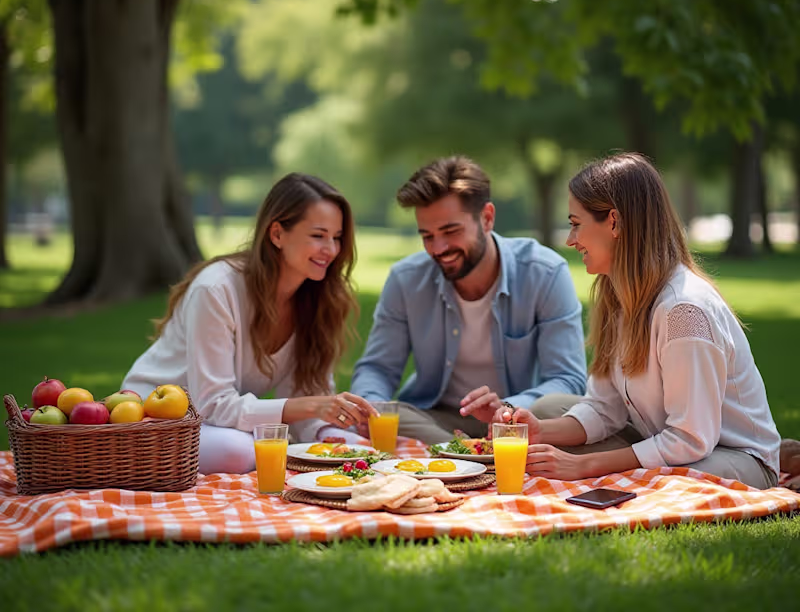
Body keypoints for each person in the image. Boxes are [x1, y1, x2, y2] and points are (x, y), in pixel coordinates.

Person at [494, 152, 781, 489]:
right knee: (551, 408)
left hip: (731, 457)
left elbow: (690, 440)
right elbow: (605, 407)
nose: (571, 240)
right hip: (660, 437)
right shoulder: (616, 297)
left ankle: (781, 457)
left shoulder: (684, 310)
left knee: (653, 484)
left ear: (613, 222)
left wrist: (584, 466)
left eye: (575, 224)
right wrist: (541, 431)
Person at [123, 173, 376, 475]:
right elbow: (213, 404)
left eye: (337, 237)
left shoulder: (313, 300)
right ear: (277, 234)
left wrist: (328, 434)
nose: (332, 250)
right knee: (243, 451)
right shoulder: (216, 289)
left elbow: (306, 394)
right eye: (318, 236)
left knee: (355, 447)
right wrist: (311, 406)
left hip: (216, 424)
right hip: (155, 418)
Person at [350, 155, 587, 445]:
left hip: (516, 417)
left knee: (557, 408)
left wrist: (508, 407)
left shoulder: (545, 273)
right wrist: (369, 408)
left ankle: (453, 453)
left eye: (451, 231)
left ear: (487, 218)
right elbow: (379, 368)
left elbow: (567, 378)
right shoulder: (405, 280)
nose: (439, 248)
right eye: (427, 236)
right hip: (436, 417)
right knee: (393, 415)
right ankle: (466, 453)